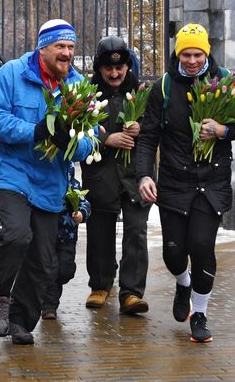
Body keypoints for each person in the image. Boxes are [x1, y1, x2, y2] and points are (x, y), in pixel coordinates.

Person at [0, 19, 94, 345]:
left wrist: (68, 140)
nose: (67, 53)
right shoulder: (13, 74)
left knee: (44, 263)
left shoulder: (77, 87)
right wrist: (36, 131)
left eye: (71, 47)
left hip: (50, 181)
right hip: (12, 172)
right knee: (17, 235)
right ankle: (2, 296)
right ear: (43, 47)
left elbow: (90, 142)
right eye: (61, 46)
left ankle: (20, 322)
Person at [137, 23, 235, 343]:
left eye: (197, 53)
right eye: (185, 54)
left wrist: (222, 130)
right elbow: (147, 138)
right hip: (174, 181)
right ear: (177, 54)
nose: (191, 60)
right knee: (174, 253)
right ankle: (183, 282)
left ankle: (199, 312)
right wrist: (145, 174)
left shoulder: (225, 81)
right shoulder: (163, 87)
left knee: (201, 247)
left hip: (211, 181)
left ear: (207, 53)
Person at [81, 35, 152, 314]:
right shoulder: (86, 93)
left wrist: (140, 128)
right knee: (99, 229)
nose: (114, 73)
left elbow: (155, 130)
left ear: (128, 67)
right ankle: (100, 284)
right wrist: (106, 139)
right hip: (101, 172)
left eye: (120, 68)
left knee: (136, 230)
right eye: (108, 69)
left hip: (135, 174)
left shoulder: (142, 92)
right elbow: (76, 132)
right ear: (99, 68)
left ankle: (132, 292)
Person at [41, 164, 90, 320]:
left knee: (64, 271)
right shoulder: (43, 186)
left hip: (67, 237)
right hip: (47, 237)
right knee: (51, 270)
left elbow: (85, 203)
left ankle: (61, 278)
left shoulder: (73, 187)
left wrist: (81, 214)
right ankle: (49, 307)